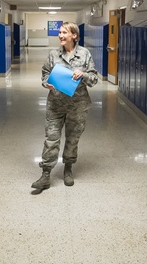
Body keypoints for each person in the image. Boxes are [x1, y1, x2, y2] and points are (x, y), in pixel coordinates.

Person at [32, 21, 99, 191]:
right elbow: (45, 73)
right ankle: (46, 174)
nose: (60, 35)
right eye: (60, 32)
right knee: (51, 139)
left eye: (64, 32)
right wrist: (46, 83)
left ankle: (68, 168)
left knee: (72, 139)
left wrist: (82, 74)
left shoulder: (85, 54)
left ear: (74, 36)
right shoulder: (53, 55)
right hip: (55, 104)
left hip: (78, 105)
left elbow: (93, 78)